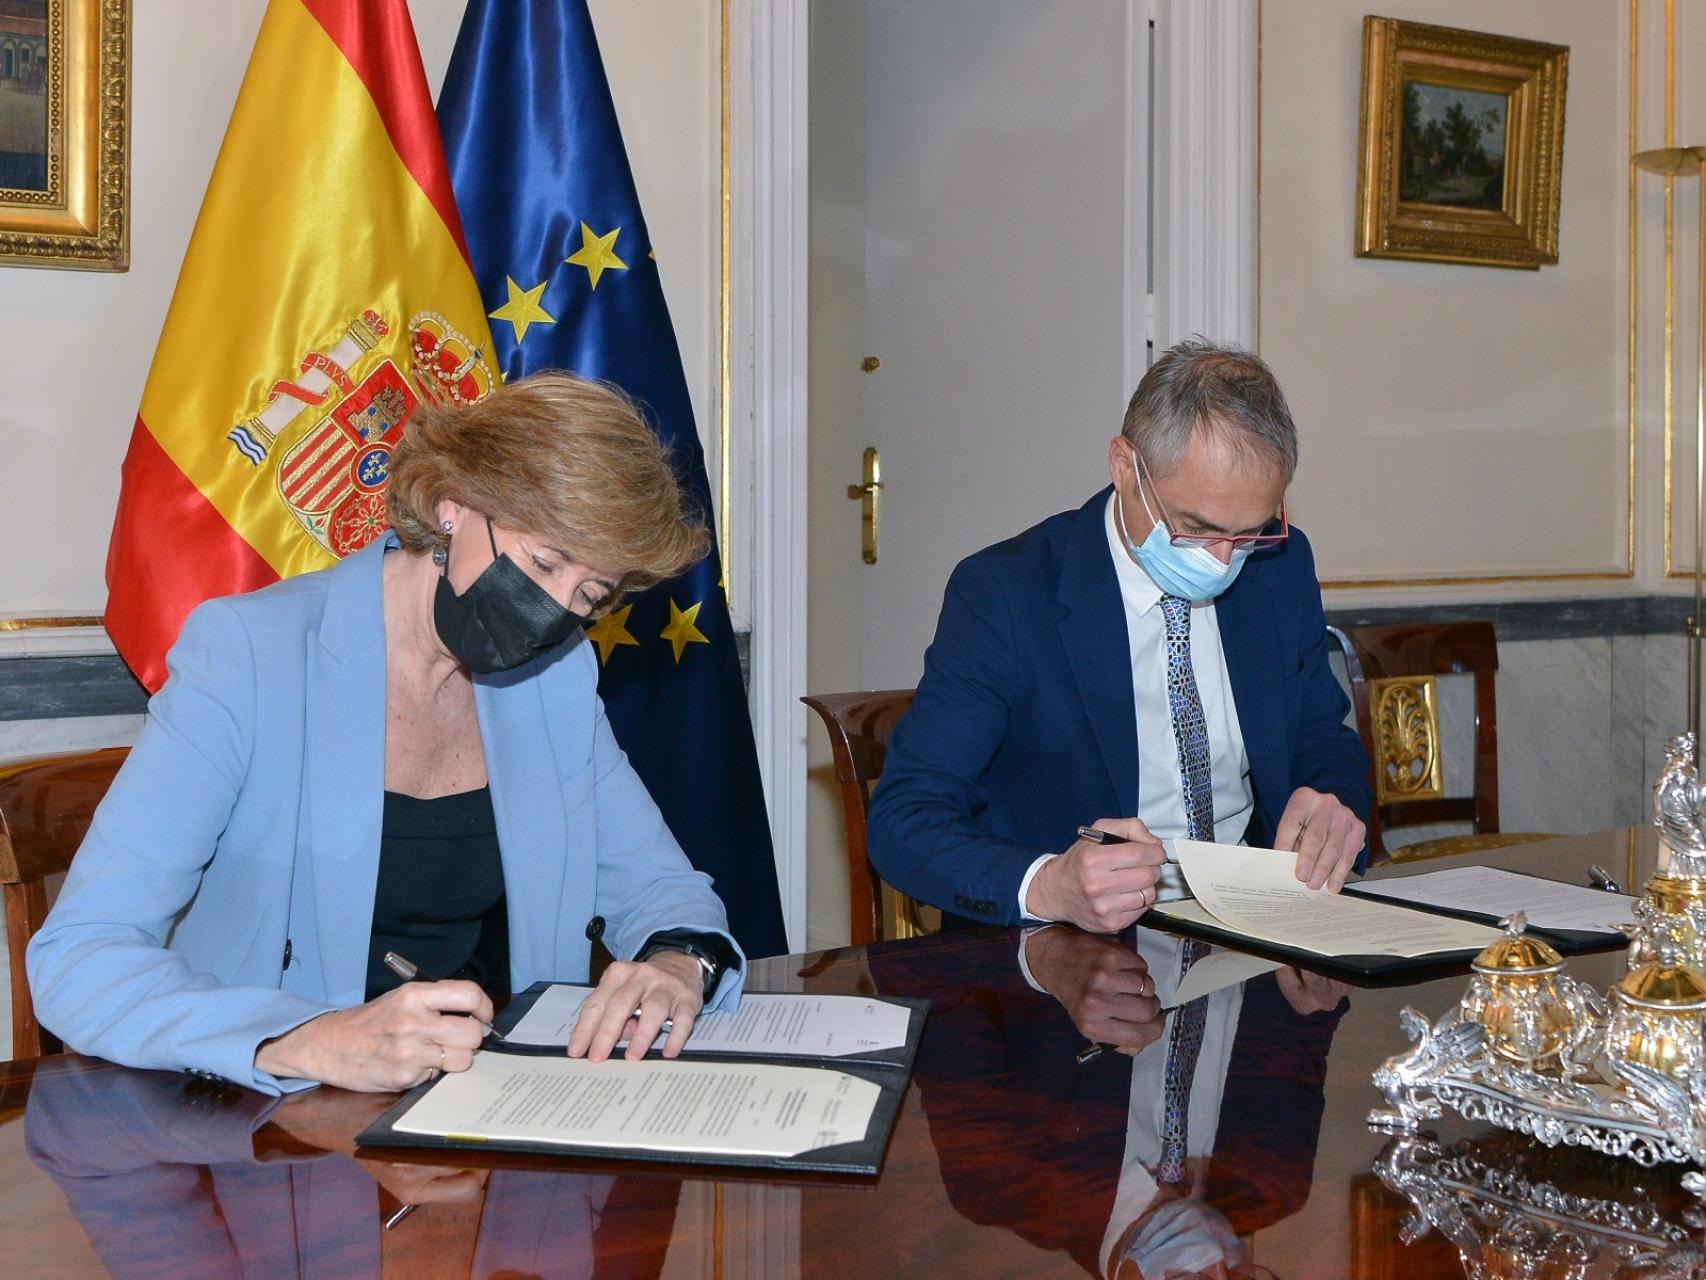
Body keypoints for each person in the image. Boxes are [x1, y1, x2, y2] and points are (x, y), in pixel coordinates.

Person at [28, 371, 744, 1095]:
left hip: (493, 1108)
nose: (554, 613)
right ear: (454, 505)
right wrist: (302, 1039)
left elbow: (662, 888)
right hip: (275, 1132)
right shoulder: (252, 655)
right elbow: (80, 956)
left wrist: (679, 966)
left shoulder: (554, 679)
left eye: (589, 593)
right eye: (545, 562)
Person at [868, 339, 1370, 933]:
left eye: (1250, 531)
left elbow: (1321, 740)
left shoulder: (1278, 566)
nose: (1221, 559)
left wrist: (1332, 803)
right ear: (1125, 468)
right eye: (1195, 529)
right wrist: (1046, 884)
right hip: (1064, 950)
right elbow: (905, 819)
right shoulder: (1006, 593)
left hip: (1255, 927)